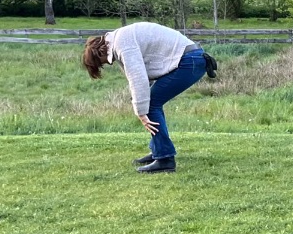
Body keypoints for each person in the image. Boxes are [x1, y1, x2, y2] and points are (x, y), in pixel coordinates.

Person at [82, 22, 208, 174]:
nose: (106, 65)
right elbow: (142, 75)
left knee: (151, 105)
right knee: (151, 103)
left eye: (101, 64)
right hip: (192, 58)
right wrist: (139, 103)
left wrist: (141, 113)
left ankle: (165, 160)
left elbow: (138, 78)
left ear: (100, 53)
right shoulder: (119, 39)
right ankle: (158, 151)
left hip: (189, 61)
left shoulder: (122, 44)